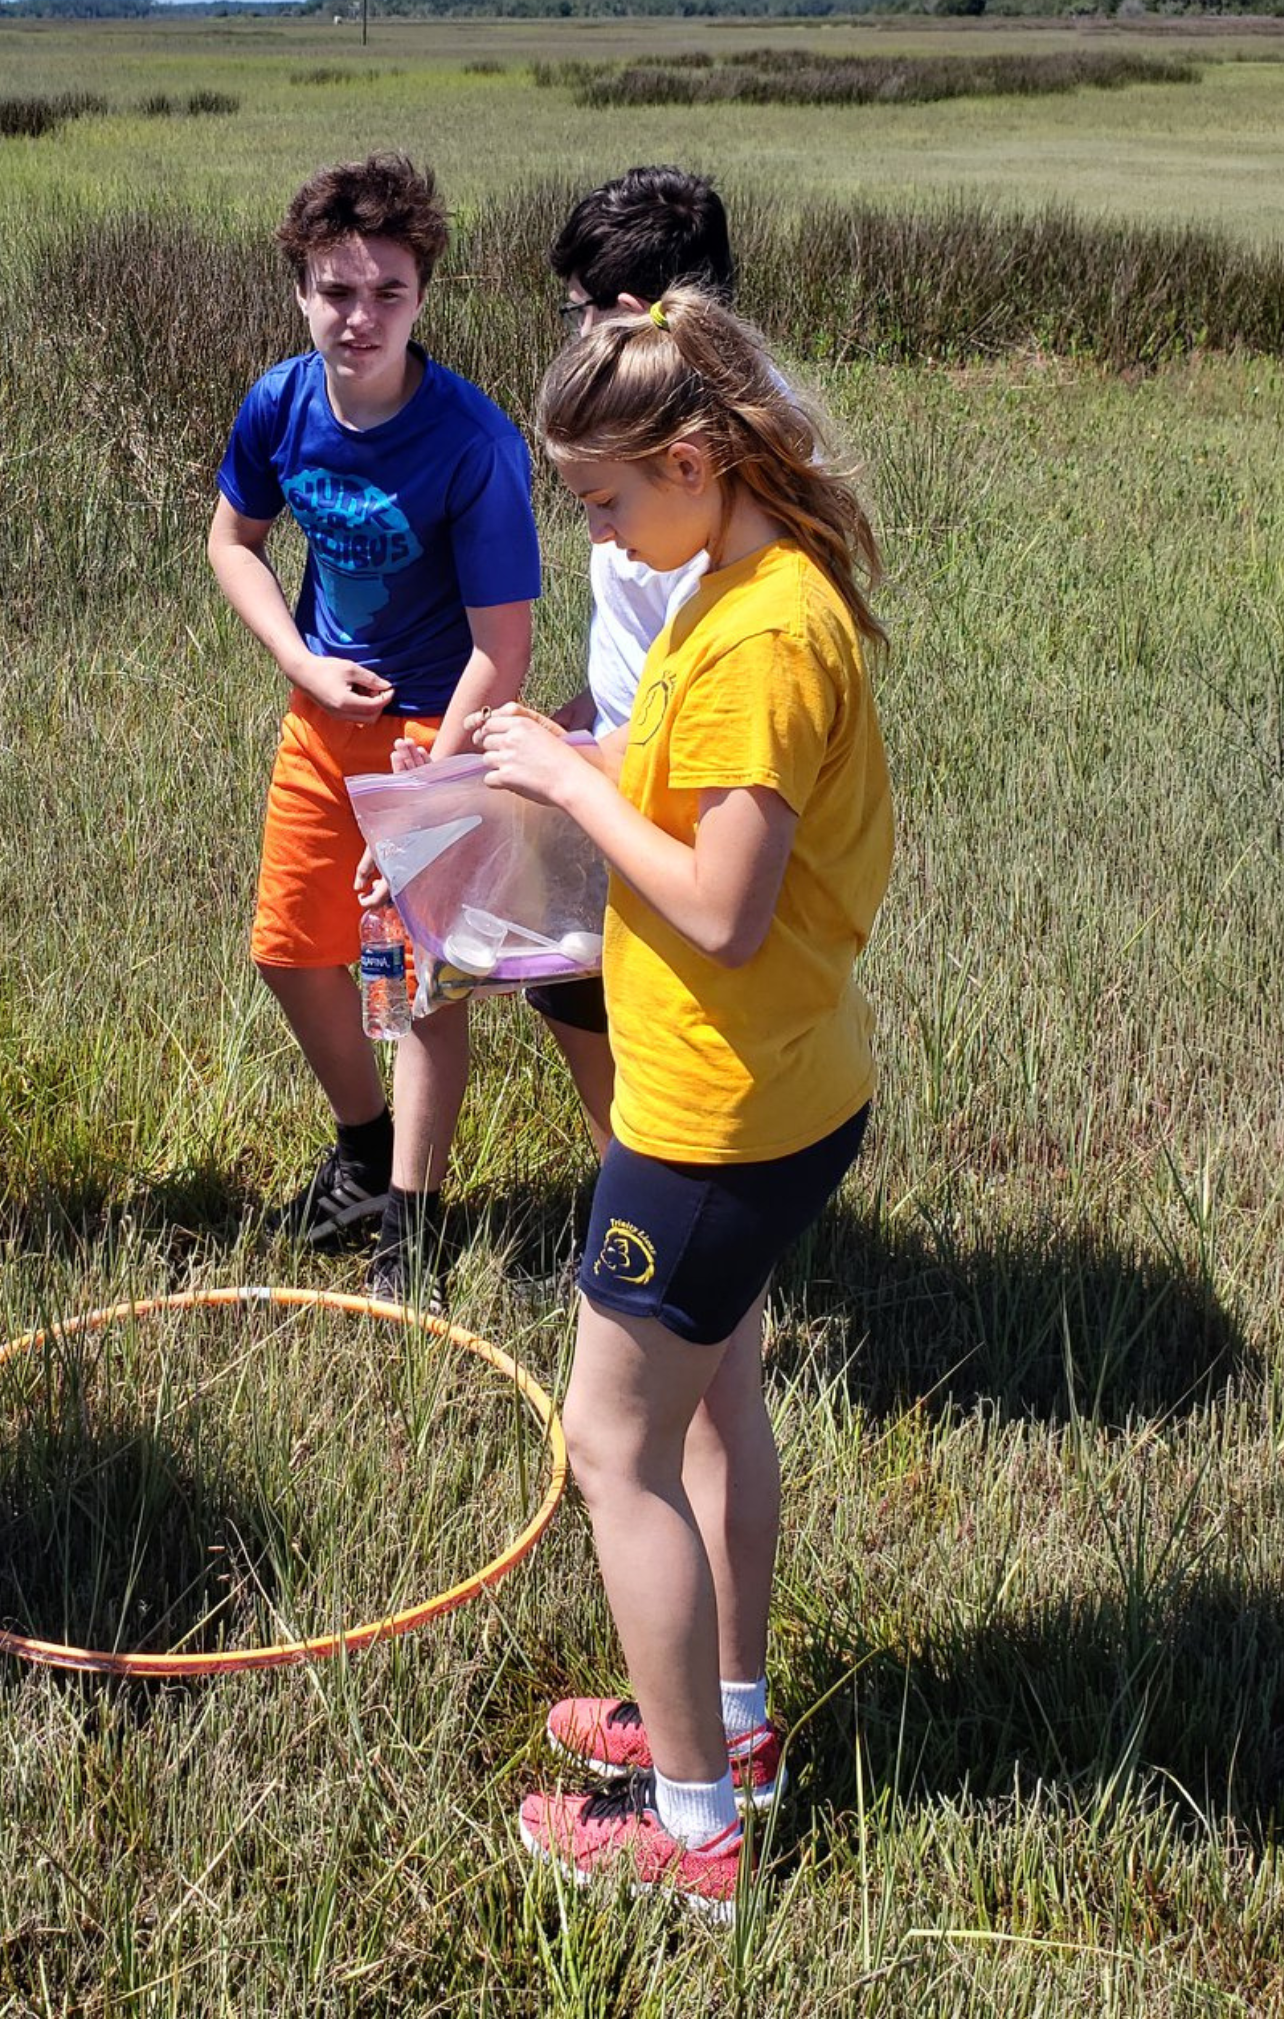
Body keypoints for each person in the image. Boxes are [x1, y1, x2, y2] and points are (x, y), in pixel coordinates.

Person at [467, 288, 892, 1916]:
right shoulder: (753, 579)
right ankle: (726, 1720)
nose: (603, 535)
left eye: (606, 500)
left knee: (611, 1445)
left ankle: (697, 1834)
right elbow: (711, 828)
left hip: (718, 1116)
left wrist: (574, 781)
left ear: (698, 456)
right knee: (717, 1405)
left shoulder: (760, 635)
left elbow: (719, 906)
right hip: (774, 1077)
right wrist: (585, 762)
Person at [208, 153, 540, 1303]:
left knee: (406, 987)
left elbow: (504, 651)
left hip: (428, 736)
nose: (360, 318)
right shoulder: (280, 403)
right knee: (291, 954)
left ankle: (413, 1221)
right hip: (319, 724)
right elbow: (232, 544)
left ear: (423, 298)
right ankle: (361, 1146)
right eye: (336, 292)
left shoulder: (473, 440)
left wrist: (423, 797)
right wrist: (299, 658)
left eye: (387, 293)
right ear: (300, 290)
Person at [529, 167, 738, 1153]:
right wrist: (569, 723)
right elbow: (636, 653)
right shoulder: (674, 436)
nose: (604, 530)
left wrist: (579, 771)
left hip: (662, 806)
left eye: (573, 312)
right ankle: (645, 1189)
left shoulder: (694, 488)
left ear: (624, 316)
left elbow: (704, 714)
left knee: (646, 1020)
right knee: (575, 995)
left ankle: (661, 1204)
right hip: (615, 763)